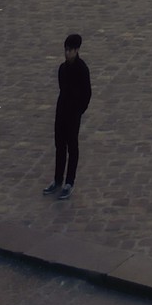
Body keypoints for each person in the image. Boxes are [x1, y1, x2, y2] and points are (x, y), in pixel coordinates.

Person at [46, 33, 92, 195]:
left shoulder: (82, 69)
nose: (67, 53)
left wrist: (78, 111)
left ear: (76, 50)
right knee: (59, 146)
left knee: (72, 147)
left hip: (73, 114)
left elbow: (87, 94)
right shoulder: (63, 69)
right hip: (61, 112)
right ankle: (57, 179)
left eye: (70, 50)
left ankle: (69, 182)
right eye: (66, 50)